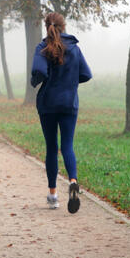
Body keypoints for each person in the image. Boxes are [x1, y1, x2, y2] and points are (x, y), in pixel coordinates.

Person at [30, 12, 92, 214]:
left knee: (51, 147)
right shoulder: (74, 48)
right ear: (63, 26)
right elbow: (86, 74)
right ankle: (73, 181)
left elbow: (39, 71)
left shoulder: (43, 47)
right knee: (67, 145)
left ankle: (53, 195)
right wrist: (70, 83)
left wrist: (35, 82)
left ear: (46, 26)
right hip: (69, 104)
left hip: (48, 104)